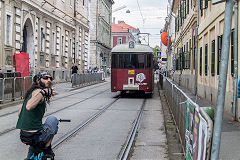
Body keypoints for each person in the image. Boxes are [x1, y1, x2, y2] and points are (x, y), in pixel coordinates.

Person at [16, 71, 58, 160]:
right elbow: (29, 106)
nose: (49, 80)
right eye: (45, 78)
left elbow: (20, 113)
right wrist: (43, 92)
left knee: (36, 140)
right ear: (38, 80)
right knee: (53, 120)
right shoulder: (39, 92)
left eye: (50, 78)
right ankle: (47, 149)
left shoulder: (32, 92)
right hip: (35, 136)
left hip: (24, 135)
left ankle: (30, 157)